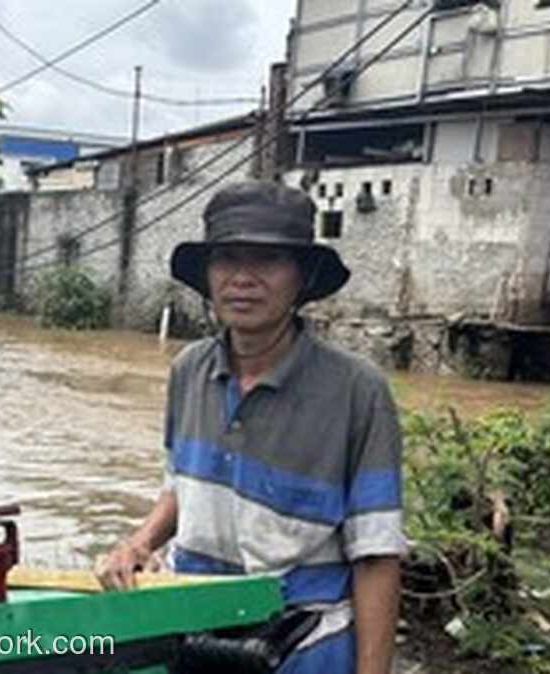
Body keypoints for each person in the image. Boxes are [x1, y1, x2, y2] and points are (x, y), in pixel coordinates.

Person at [94, 182, 404, 674]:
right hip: (194, 619)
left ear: (301, 277)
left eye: (267, 260)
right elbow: (181, 486)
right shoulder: (189, 370)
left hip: (304, 638)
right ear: (208, 276)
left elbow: (376, 553)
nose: (243, 278)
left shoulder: (357, 391)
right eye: (228, 259)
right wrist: (140, 542)